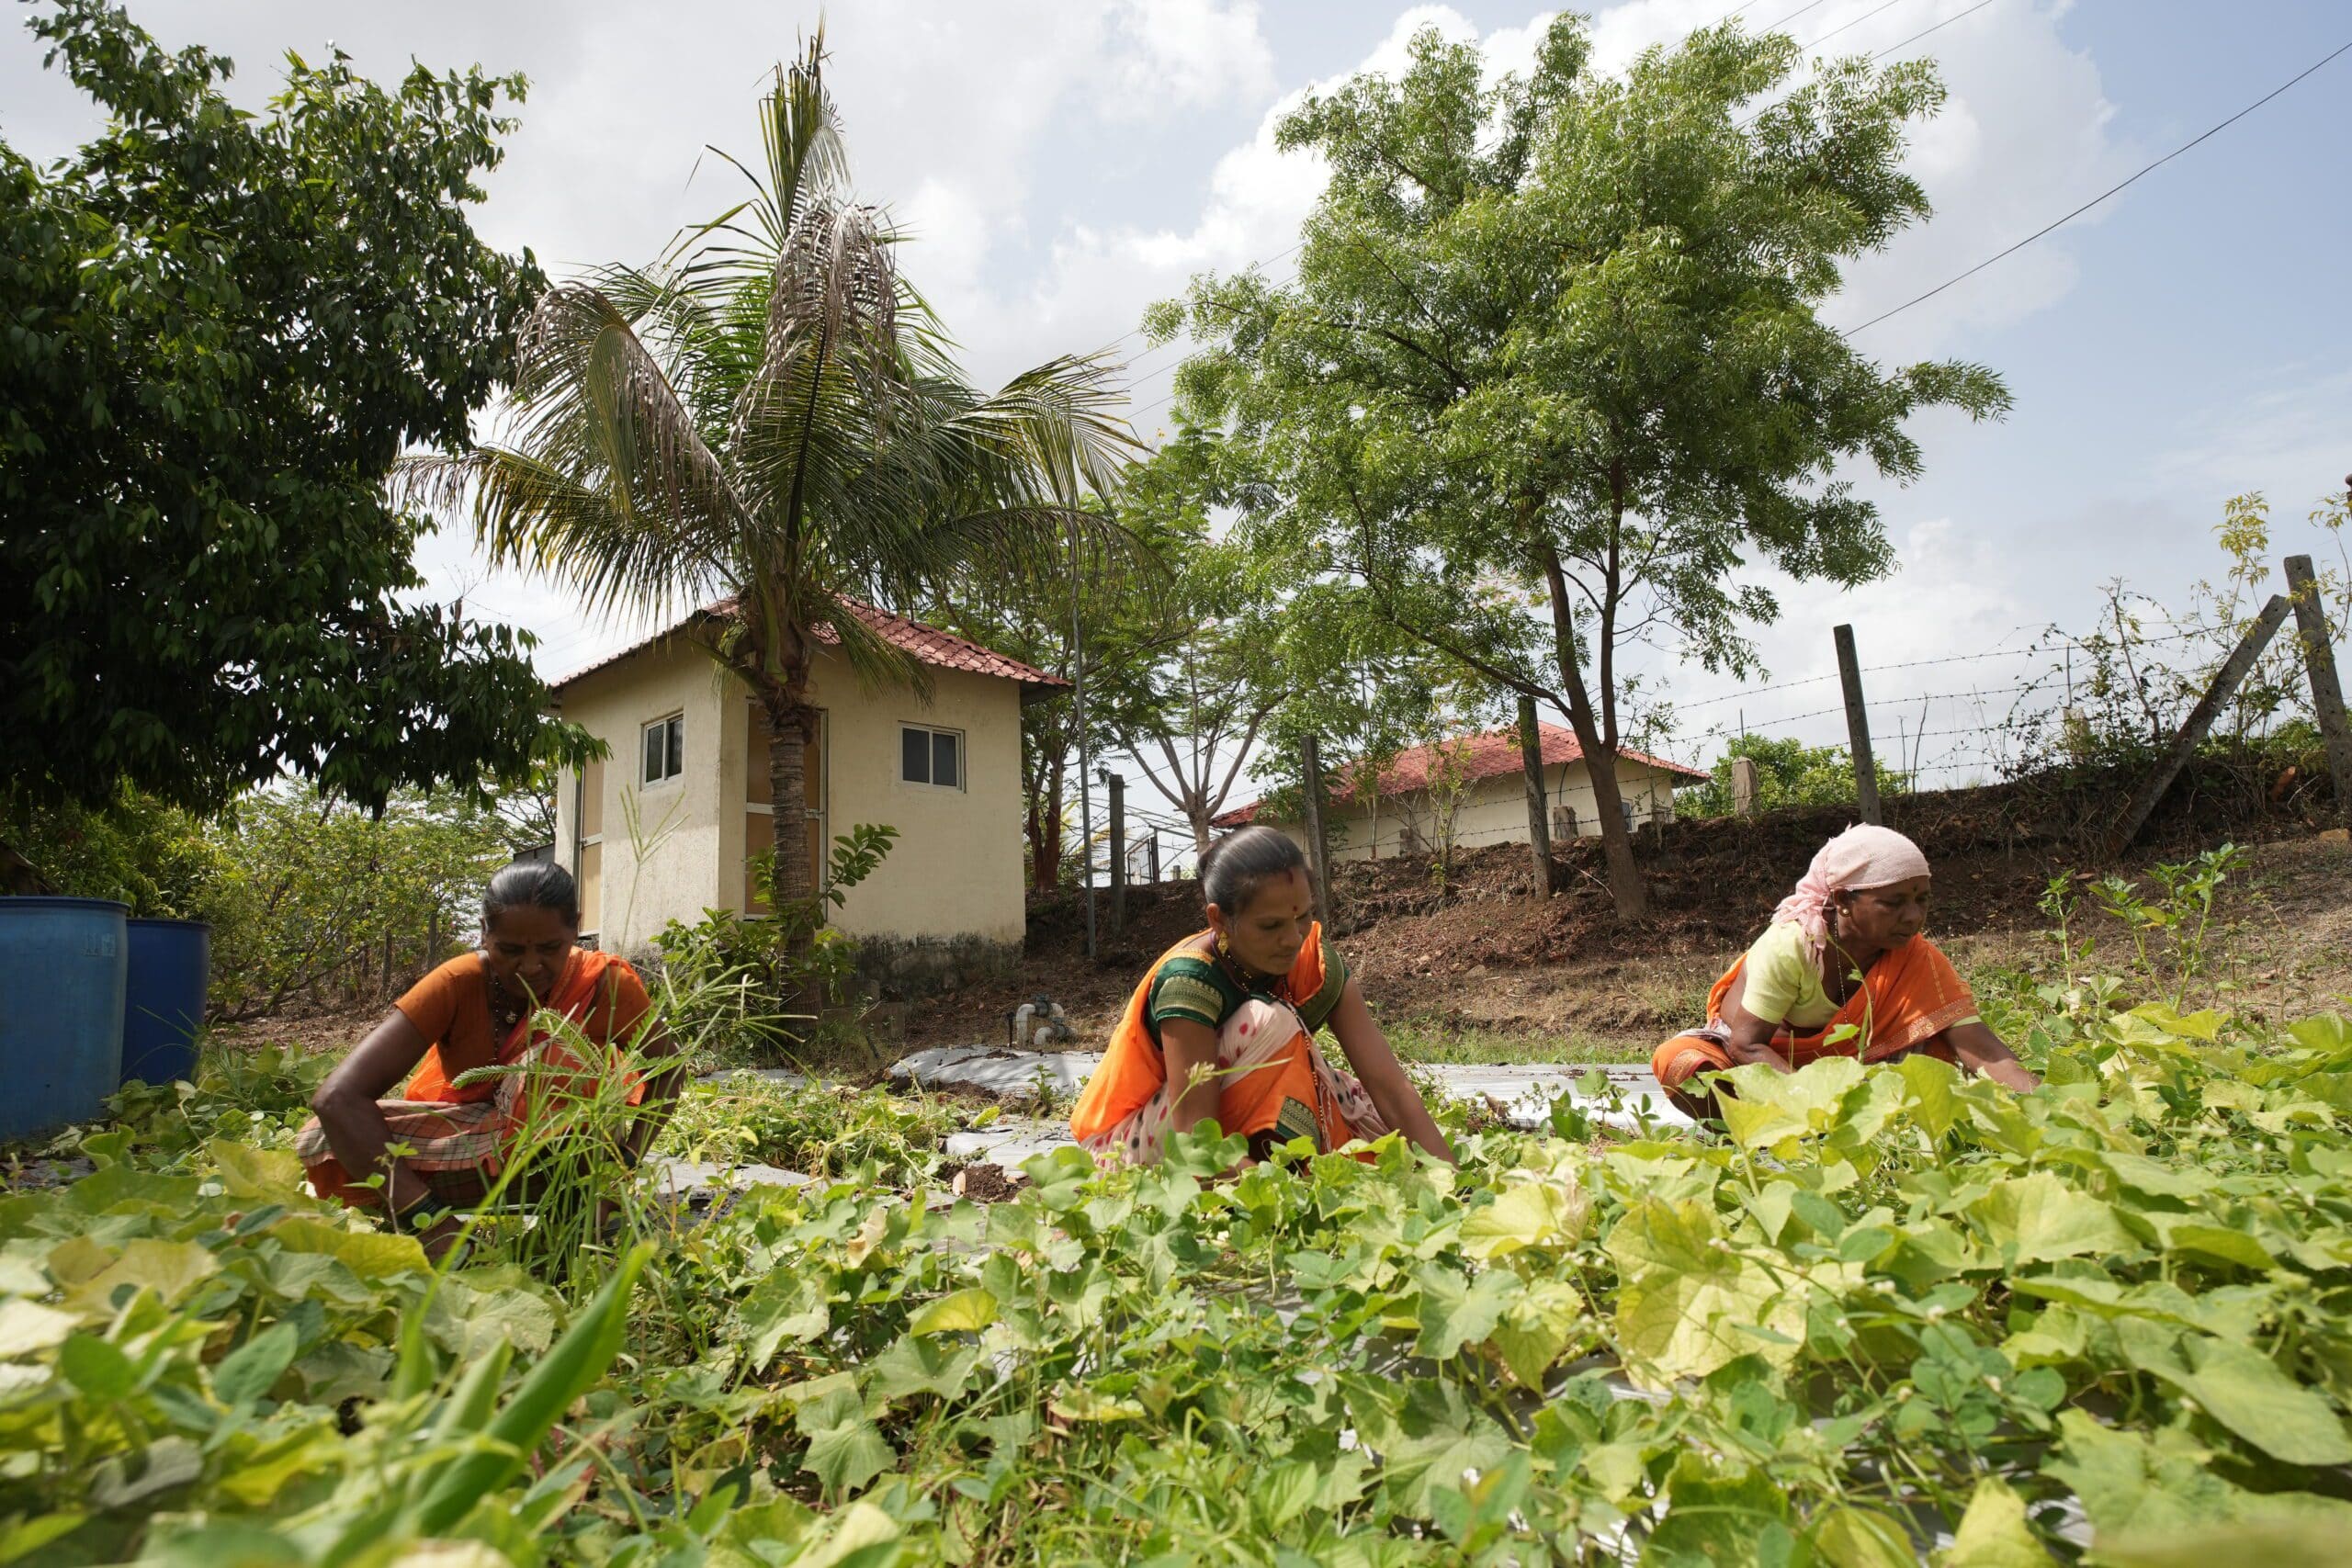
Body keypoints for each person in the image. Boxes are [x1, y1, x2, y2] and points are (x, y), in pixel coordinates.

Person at [297, 863, 682, 1254]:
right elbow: (337, 1098)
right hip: (468, 1143)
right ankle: (424, 1223)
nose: (531, 966)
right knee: (329, 1133)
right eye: (510, 950)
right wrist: (425, 1217)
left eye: (550, 948)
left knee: (557, 1061)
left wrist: (623, 1165)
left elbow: (670, 1068)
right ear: (484, 932)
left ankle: (573, 1219)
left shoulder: (605, 986)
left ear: (575, 929)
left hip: (570, 1151)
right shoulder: (456, 983)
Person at [1070, 826, 1454, 1168]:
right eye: (1270, 925)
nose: (1293, 938)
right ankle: (1286, 1175)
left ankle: (1296, 1167)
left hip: (1225, 1134)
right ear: (1219, 919)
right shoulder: (1190, 981)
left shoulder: (1310, 962)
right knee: (1271, 1022)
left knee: (1351, 1100)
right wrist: (1279, 1200)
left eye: (1303, 916)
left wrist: (1452, 1181)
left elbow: (1388, 1084)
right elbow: (1194, 1137)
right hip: (1132, 1146)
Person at [1653, 823, 2039, 1120]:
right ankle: (1769, 1134)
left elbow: (1982, 1049)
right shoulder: (1793, 945)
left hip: (1852, 1071)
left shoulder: (1916, 955)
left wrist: (2048, 1106)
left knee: (1936, 1053)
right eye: (1894, 903)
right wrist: (1822, 1109)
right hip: (1765, 1066)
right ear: (1842, 901)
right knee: (1685, 1064)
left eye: (1922, 900)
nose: (1914, 916)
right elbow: (1746, 1045)